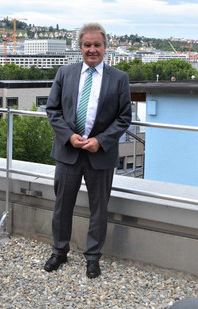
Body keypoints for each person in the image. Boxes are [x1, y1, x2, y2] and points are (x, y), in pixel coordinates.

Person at [43, 23, 132, 279]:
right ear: (80, 47)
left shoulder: (120, 78)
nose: (92, 50)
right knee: (62, 206)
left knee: (99, 209)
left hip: (100, 154)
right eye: (87, 45)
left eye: (97, 45)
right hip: (68, 152)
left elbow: (124, 118)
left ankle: (93, 258)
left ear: (106, 47)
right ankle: (59, 252)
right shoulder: (65, 73)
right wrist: (69, 136)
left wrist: (101, 141)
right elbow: (53, 110)